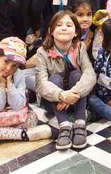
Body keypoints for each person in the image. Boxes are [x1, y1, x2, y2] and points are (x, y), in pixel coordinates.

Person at [0, 37, 52, 148]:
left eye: (14, 65)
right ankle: (25, 134)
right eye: (6, 61)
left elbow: (19, 105)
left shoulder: (19, 75)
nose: (9, 68)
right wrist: (1, 85)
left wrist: (10, 85)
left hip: (14, 115)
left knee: (32, 118)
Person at [35, 10, 96, 150]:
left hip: (75, 98)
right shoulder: (42, 52)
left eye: (69, 25)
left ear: (75, 32)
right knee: (54, 78)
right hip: (52, 101)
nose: (63, 28)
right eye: (59, 25)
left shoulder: (80, 47)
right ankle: (64, 125)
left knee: (77, 75)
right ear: (51, 31)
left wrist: (73, 94)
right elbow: (40, 83)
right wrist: (62, 95)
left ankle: (80, 122)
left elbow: (90, 74)